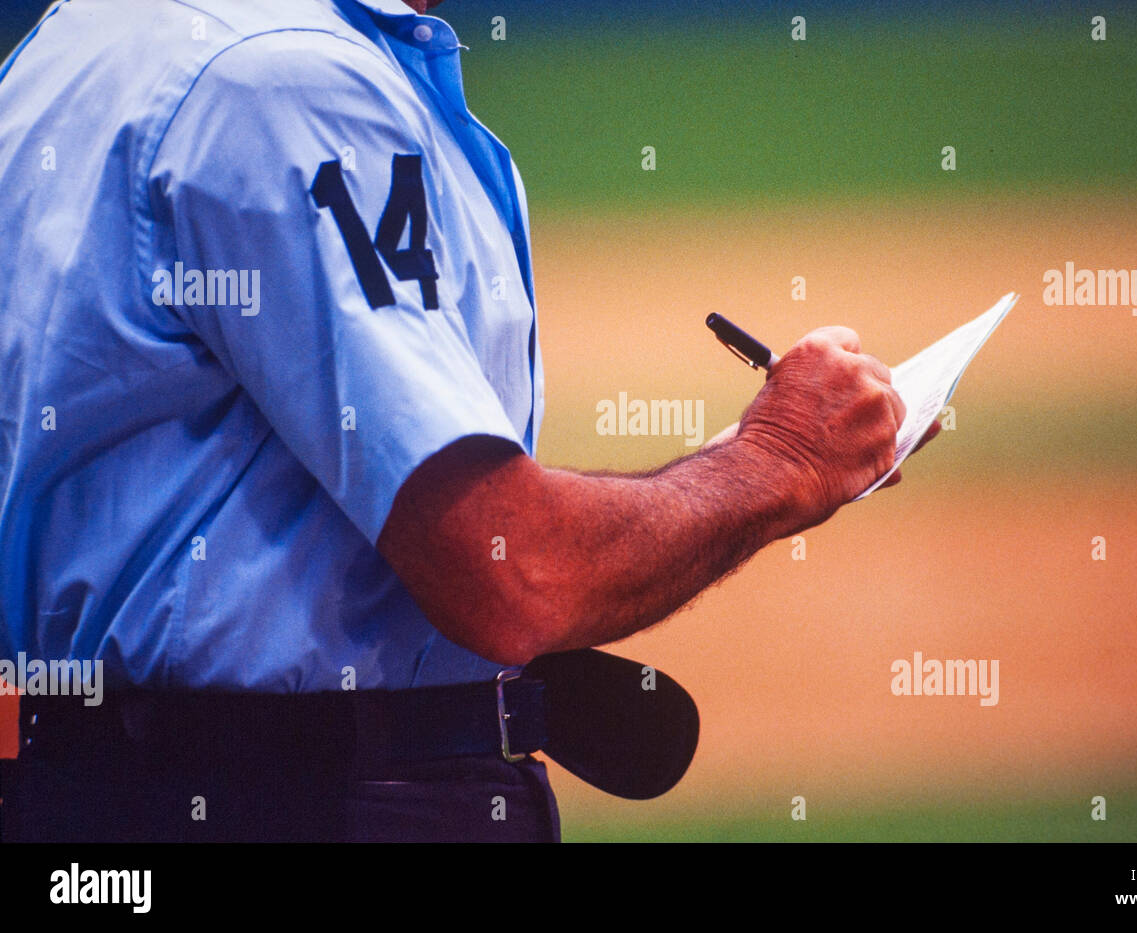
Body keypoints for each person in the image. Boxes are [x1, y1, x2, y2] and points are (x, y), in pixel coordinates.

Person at [0, 0, 937, 842]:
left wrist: (751, 458)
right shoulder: (290, 79)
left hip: (81, 787)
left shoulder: (68, 47)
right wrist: (780, 459)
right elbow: (509, 572)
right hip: (306, 804)